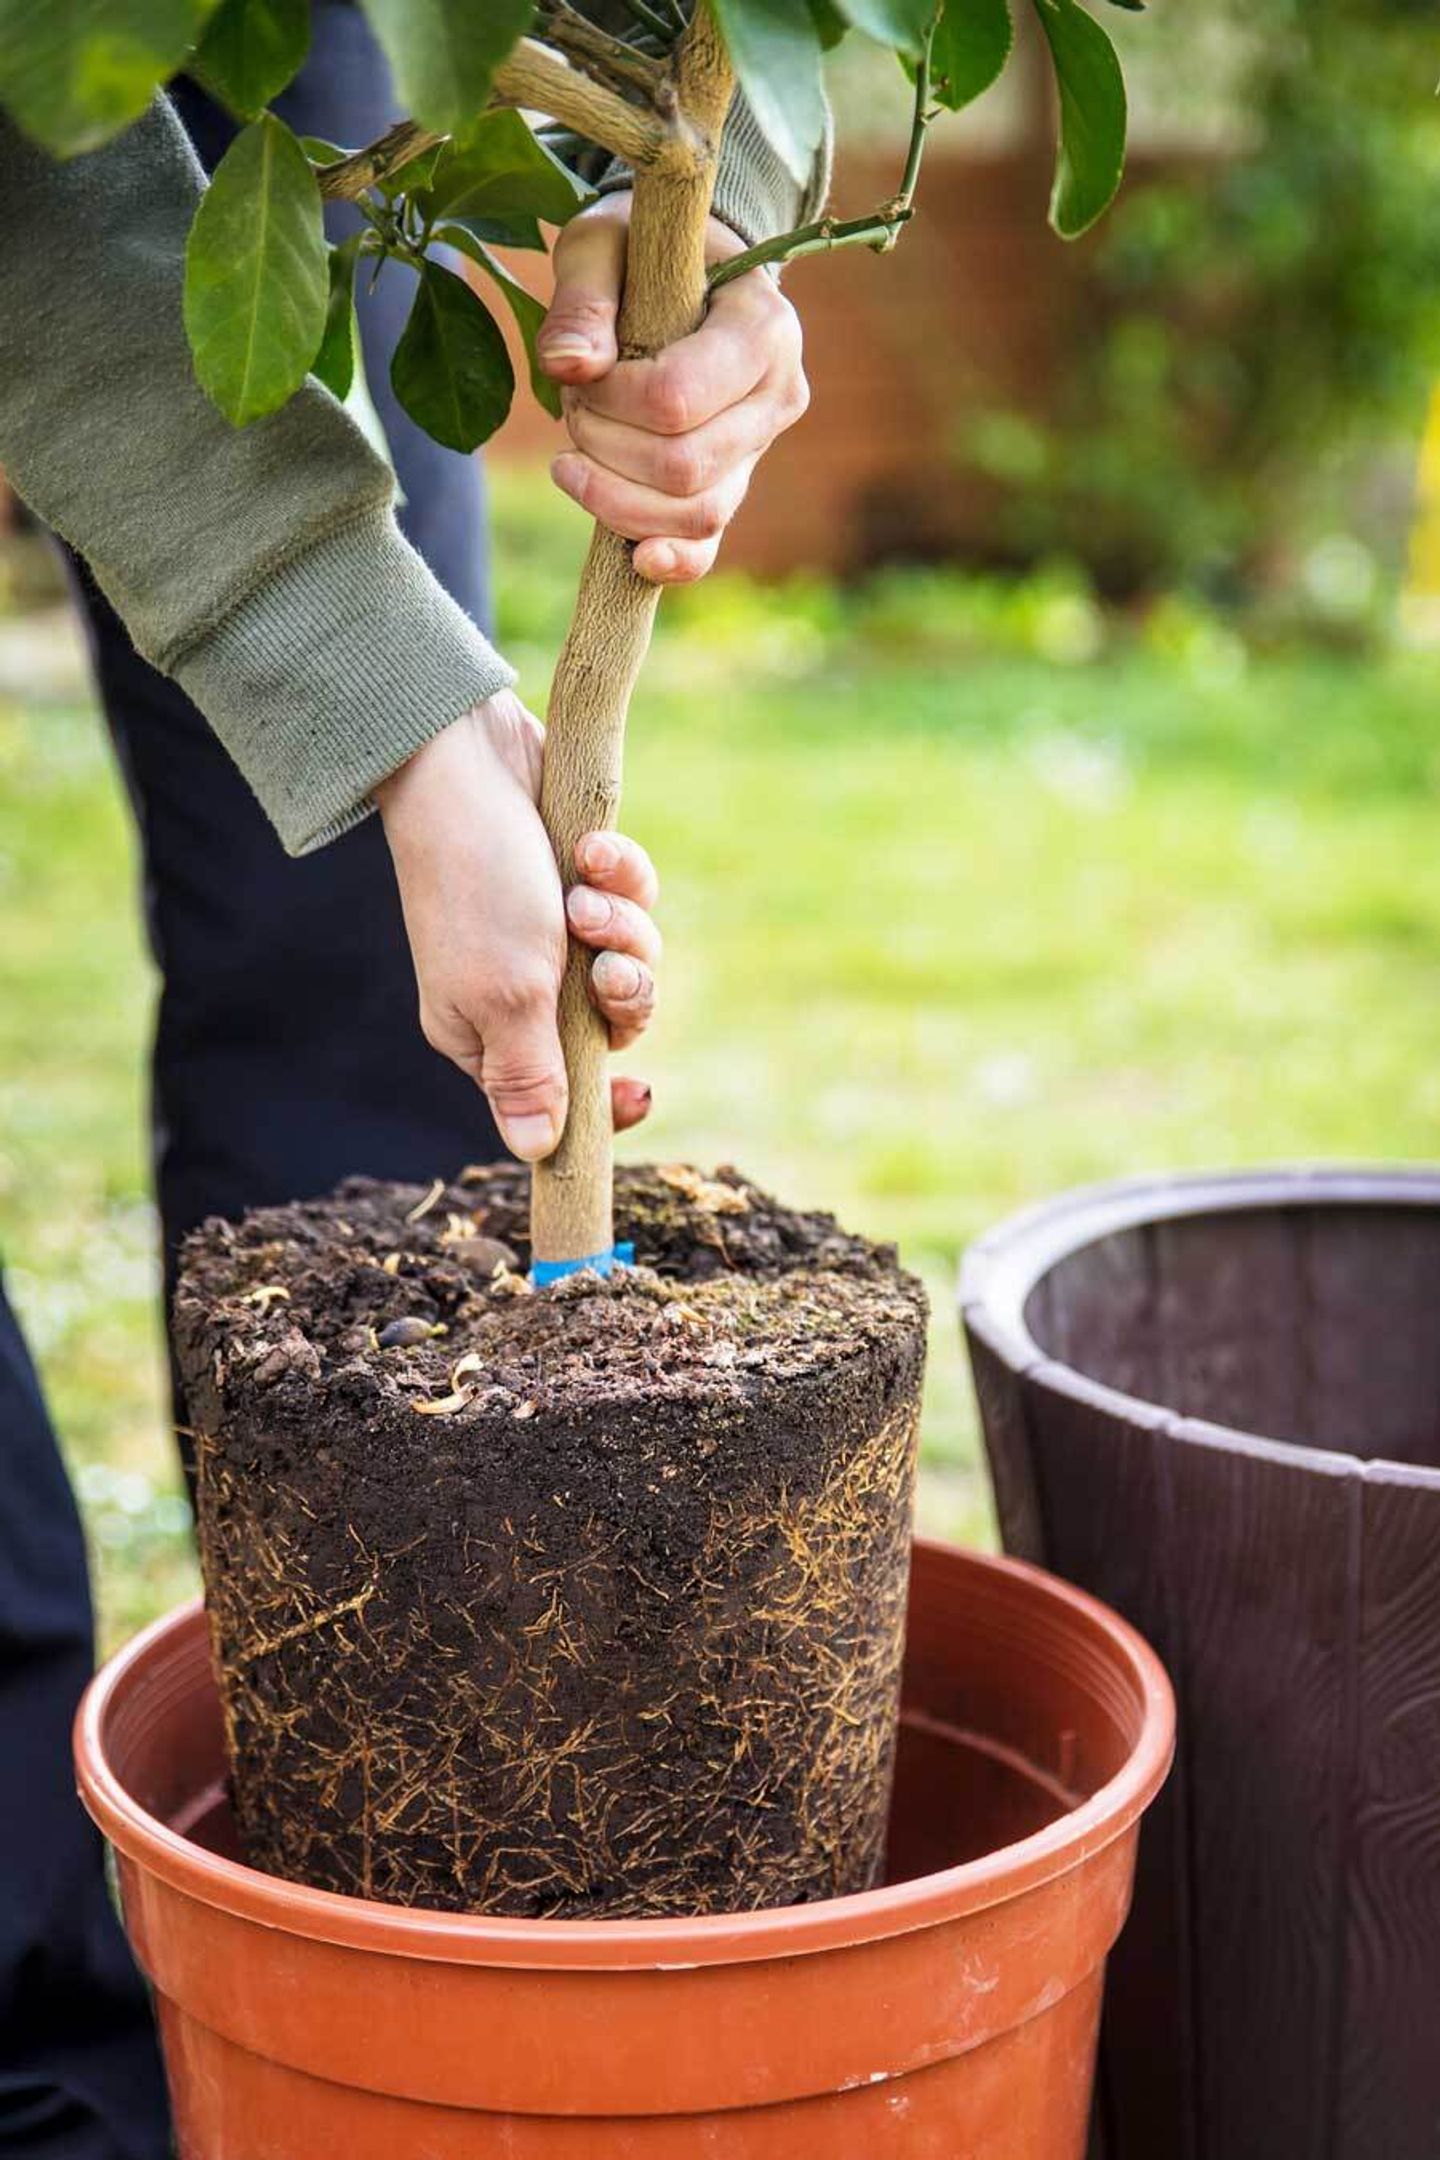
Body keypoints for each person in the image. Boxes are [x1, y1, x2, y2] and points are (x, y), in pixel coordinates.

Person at [0, 6, 817, 2151]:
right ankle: (42, 2055)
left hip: (277, 40)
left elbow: (724, 36)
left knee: (376, 945)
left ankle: (397, 1931)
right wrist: (377, 695)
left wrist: (706, 212)